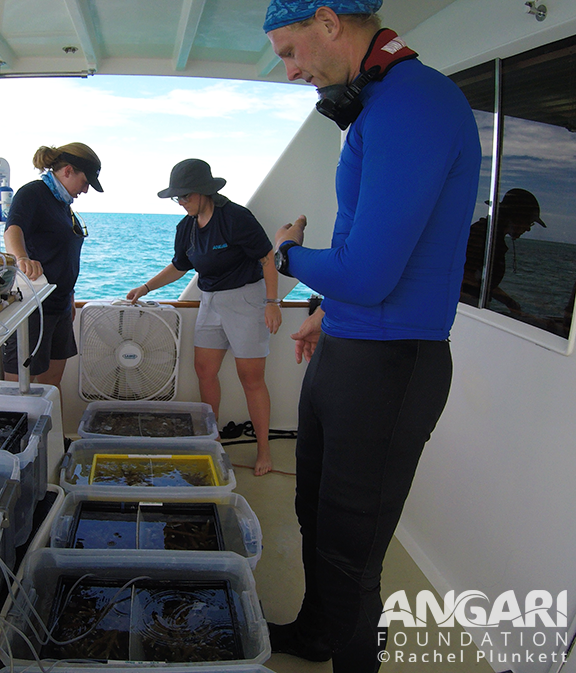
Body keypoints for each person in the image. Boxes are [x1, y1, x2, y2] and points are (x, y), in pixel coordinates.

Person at [264, 1, 481, 670]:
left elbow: (368, 271)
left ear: (329, 21)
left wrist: (287, 254)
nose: (293, 71)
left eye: (291, 51)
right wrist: (328, 311)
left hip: (389, 368)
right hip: (348, 351)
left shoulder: (415, 105)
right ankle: (316, 632)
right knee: (311, 510)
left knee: (351, 551)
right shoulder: (382, 103)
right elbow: (368, 255)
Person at [126, 158, 281, 476]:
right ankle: (214, 438)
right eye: (177, 198)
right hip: (209, 300)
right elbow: (180, 267)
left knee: (250, 377)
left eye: (184, 196)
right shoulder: (186, 228)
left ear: (203, 192)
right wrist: (145, 287)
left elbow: (267, 258)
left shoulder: (235, 218)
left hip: (247, 299)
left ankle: (264, 450)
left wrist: (272, 302)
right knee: (204, 369)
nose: (180, 202)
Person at [2, 142, 102, 390]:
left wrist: (70, 297)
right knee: (19, 388)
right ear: (68, 170)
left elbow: (62, 255)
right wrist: (22, 258)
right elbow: (13, 229)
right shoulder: (33, 194)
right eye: (86, 181)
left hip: (60, 306)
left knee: (52, 383)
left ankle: (51, 429)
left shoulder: (63, 205)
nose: (86, 190)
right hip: (33, 308)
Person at [460, 188, 546, 313]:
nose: (528, 229)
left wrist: (509, 302)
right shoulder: (484, 236)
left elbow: (482, 281)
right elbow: (463, 275)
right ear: (517, 218)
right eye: (529, 222)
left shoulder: (490, 236)